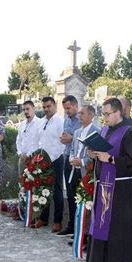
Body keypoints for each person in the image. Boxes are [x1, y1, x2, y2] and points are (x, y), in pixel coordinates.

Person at [86, 98, 132, 262]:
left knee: (118, 230)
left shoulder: (130, 132)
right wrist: (93, 154)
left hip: (120, 188)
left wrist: (109, 159)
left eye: (107, 114)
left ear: (118, 112)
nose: (105, 117)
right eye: (103, 114)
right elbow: (100, 153)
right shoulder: (104, 130)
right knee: (103, 227)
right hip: (104, 185)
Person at [60, 105, 99, 237]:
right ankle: (78, 231)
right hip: (74, 171)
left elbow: (95, 154)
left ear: (91, 115)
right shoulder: (77, 132)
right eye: (79, 114)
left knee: (87, 203)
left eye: (82, 113)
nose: (79, 116)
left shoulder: (96, 132)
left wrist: (82, 162)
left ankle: (87, 234)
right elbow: (72, 149)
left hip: (86, 173)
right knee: (74, 201)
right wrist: (72, 158)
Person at [32, 97, 65, 232]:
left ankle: (57, 221)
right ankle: (43, 218)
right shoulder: (41, 122)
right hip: (42, 160)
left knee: (57, 190)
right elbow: (39, 141)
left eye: (49, 106)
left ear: (55, 106)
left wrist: (51, 158)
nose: (46, 109)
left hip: (56, 159)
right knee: (43, 190)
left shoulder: (60, 122)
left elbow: (62, 143)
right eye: (44, 107)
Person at [58, 95, 81, 236]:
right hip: (67, 157)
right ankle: (71, 225)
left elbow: (84, 138)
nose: (67, 111)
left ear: (75, 105)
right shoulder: (66, 120)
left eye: (68, 108)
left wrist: (71, 139)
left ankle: (79, 227)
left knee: (78, 194)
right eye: (65, 109)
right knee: (71, 194)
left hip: (78, 161)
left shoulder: (82, 120)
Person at [15, 101, 41, 176]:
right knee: (22, 183)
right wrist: (20, 153)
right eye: (24, 110)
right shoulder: (22, 124)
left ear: (33, 108)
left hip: (35, 159)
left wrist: (29, 154)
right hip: (22, 158)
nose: (25, 111)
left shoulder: (40, 123)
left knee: (34, 184)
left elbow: (40, 143)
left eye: (27, 109)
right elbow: (18, 140)